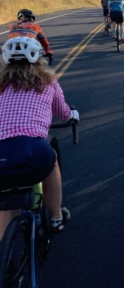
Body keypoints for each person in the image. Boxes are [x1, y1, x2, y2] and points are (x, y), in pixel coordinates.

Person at [0, 37, 80, 240]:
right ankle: (56, 218)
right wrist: (73, 116)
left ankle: (6, 256)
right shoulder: (47, 81)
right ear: (38, 58)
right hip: (32, 148)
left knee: (5, 196)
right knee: (51, 163)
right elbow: (62, 111)